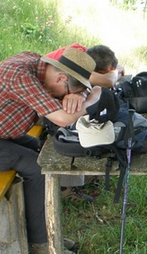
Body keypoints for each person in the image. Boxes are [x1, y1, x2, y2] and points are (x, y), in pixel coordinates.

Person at [0, 48, 102, 254]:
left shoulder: (35, 63)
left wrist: (78, 94)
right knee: (37, 168)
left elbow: (70, 100)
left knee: (43, 150)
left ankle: (43, 231)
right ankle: (39, 243)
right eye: (65, 91)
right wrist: (92, 98)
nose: (63, 97)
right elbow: (64, 119)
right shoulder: (18, 75)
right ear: (61, 77)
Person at [44, 44, 124, 202]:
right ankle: (67, 188)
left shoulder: (86, 57)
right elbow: (108, 81)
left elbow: (93, 82)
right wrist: (114, 73)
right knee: (76, 115)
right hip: (45, 103)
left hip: (55, 94)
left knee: (81, 110)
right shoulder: (76, 63)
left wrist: (81, 93)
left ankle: (83, 177)